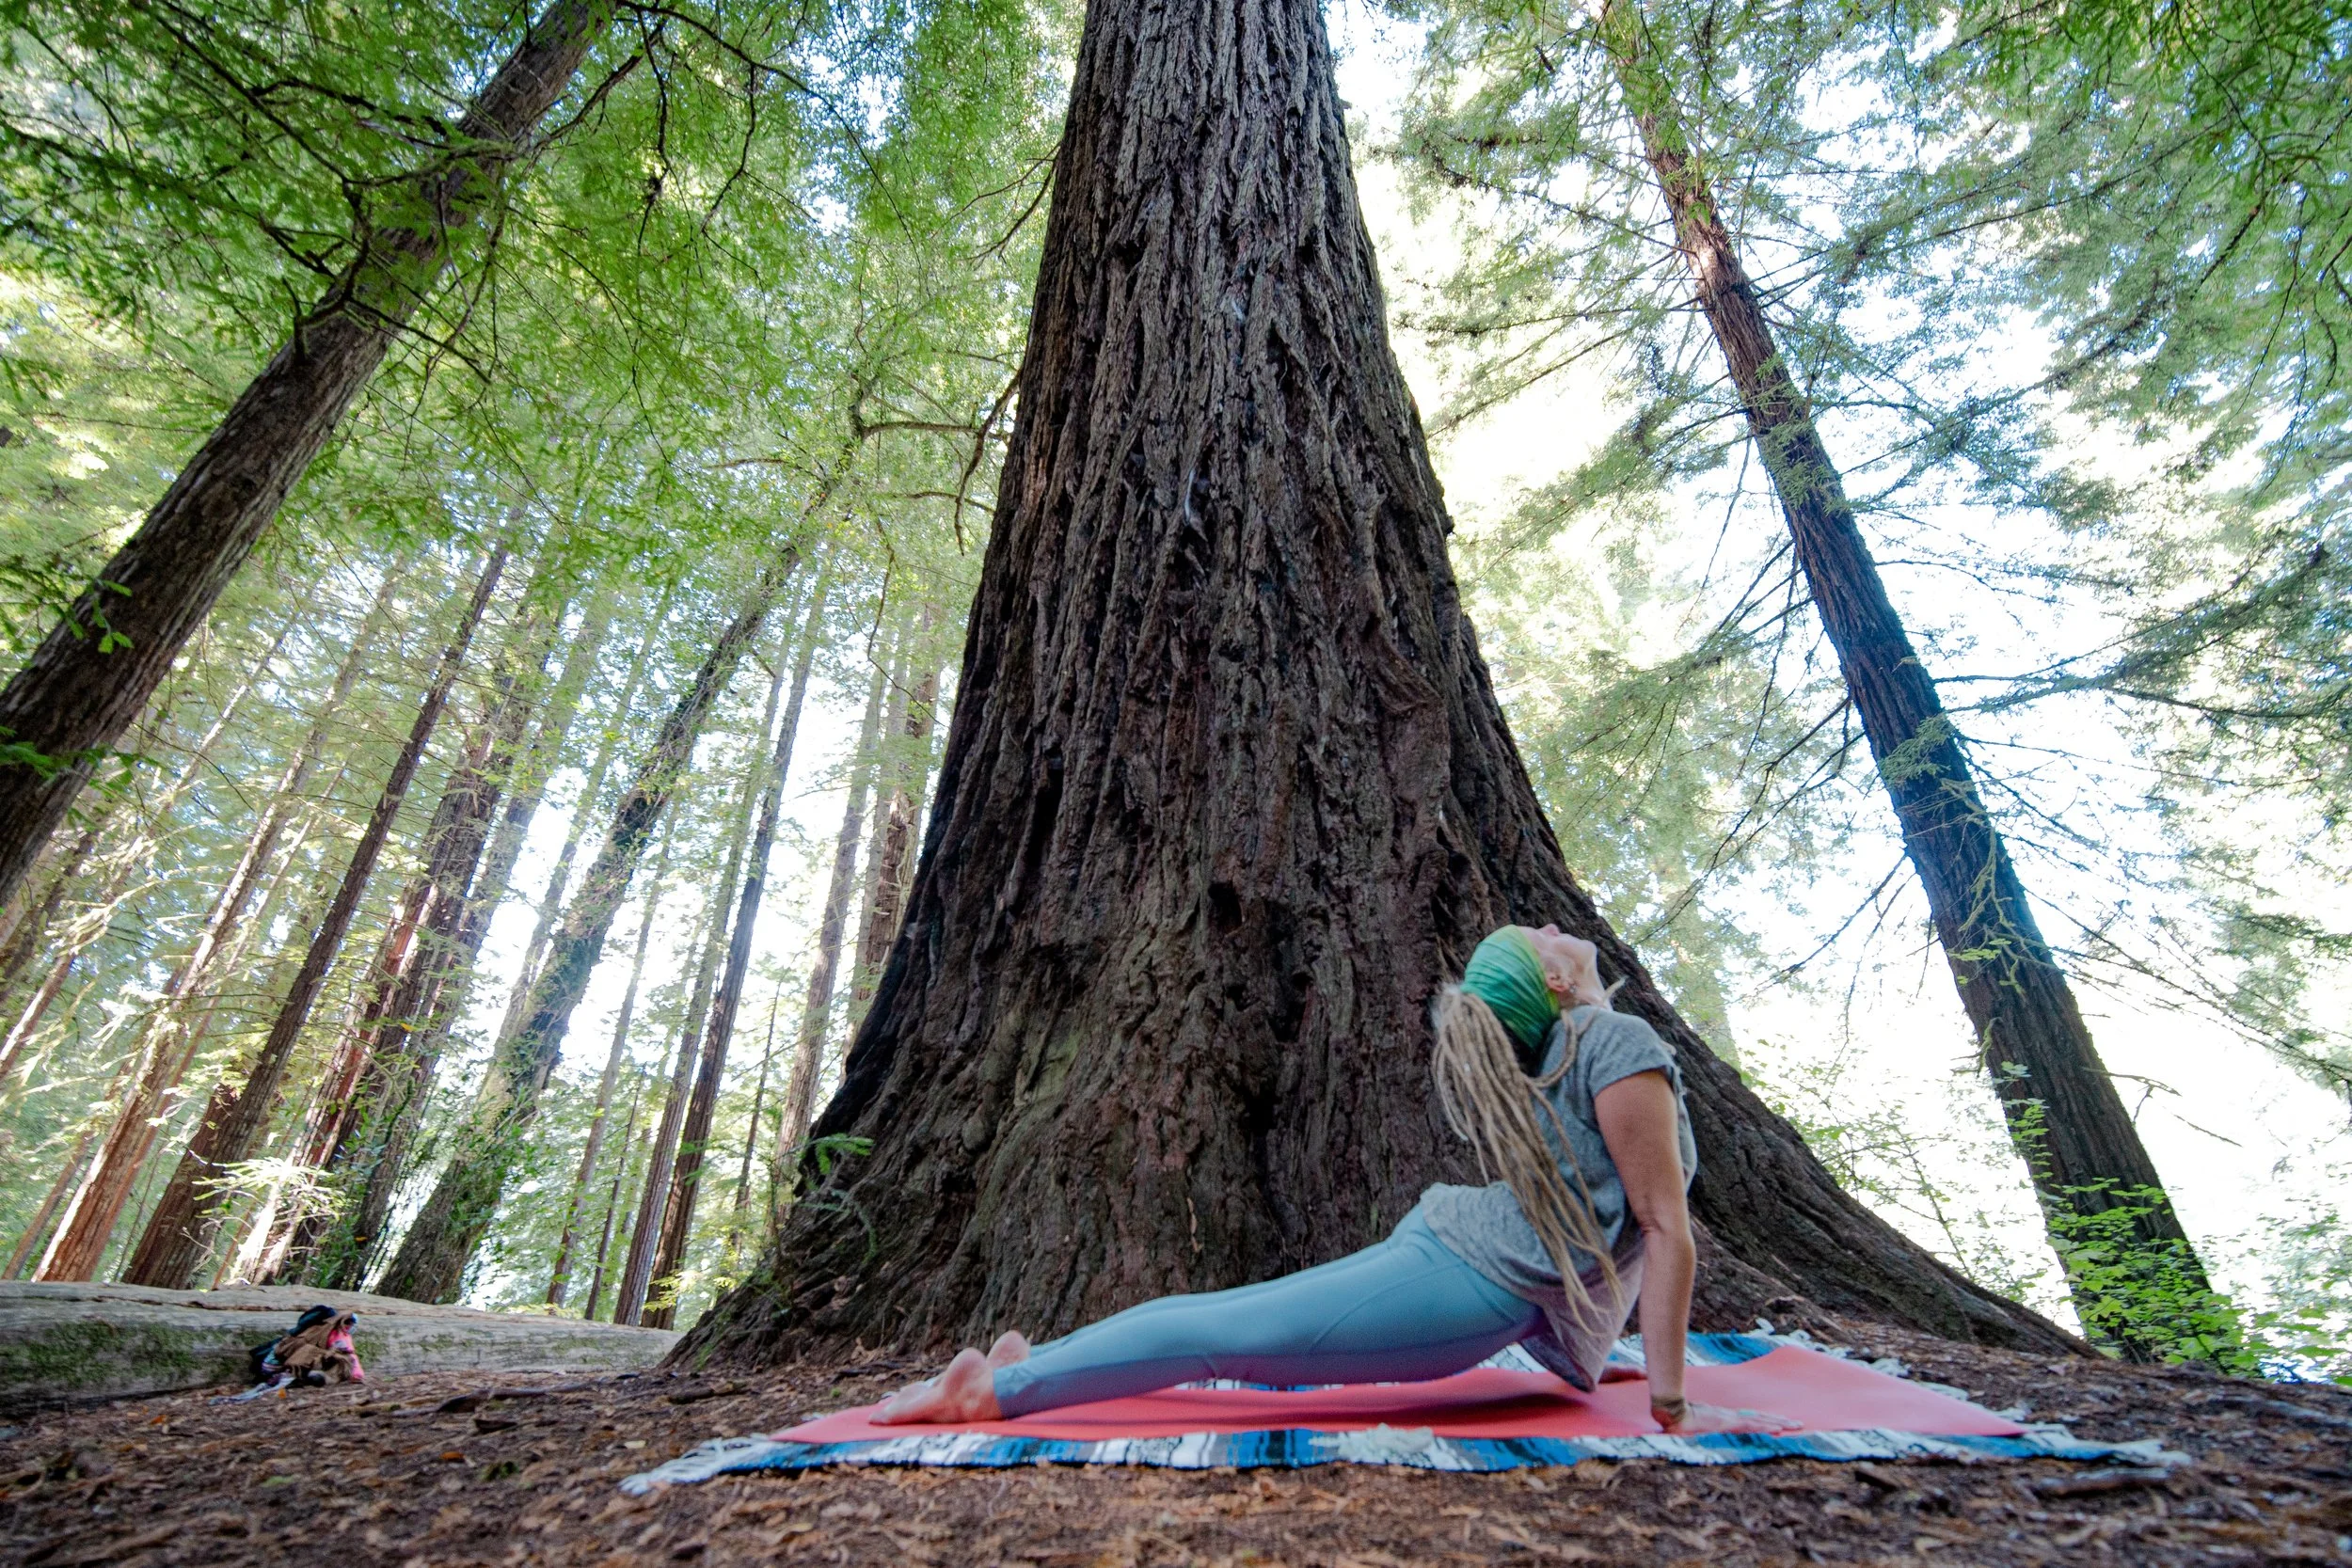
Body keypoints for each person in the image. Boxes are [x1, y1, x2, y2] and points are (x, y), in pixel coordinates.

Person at [875, 924, 1798, 1435]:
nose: (1558, 924)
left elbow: (1612, 1232)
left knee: (1232, 1321)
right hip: (1464, 1279)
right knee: (1226, 1331)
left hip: (1467, 1268)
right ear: (1556, 974)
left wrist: (1598, 1354)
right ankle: (999, 1389)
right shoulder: (1612, 1038)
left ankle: (1040, 1362)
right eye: (1542, 930)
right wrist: (1672, 1404)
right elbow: (1661, 1224)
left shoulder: (1576, 1049)